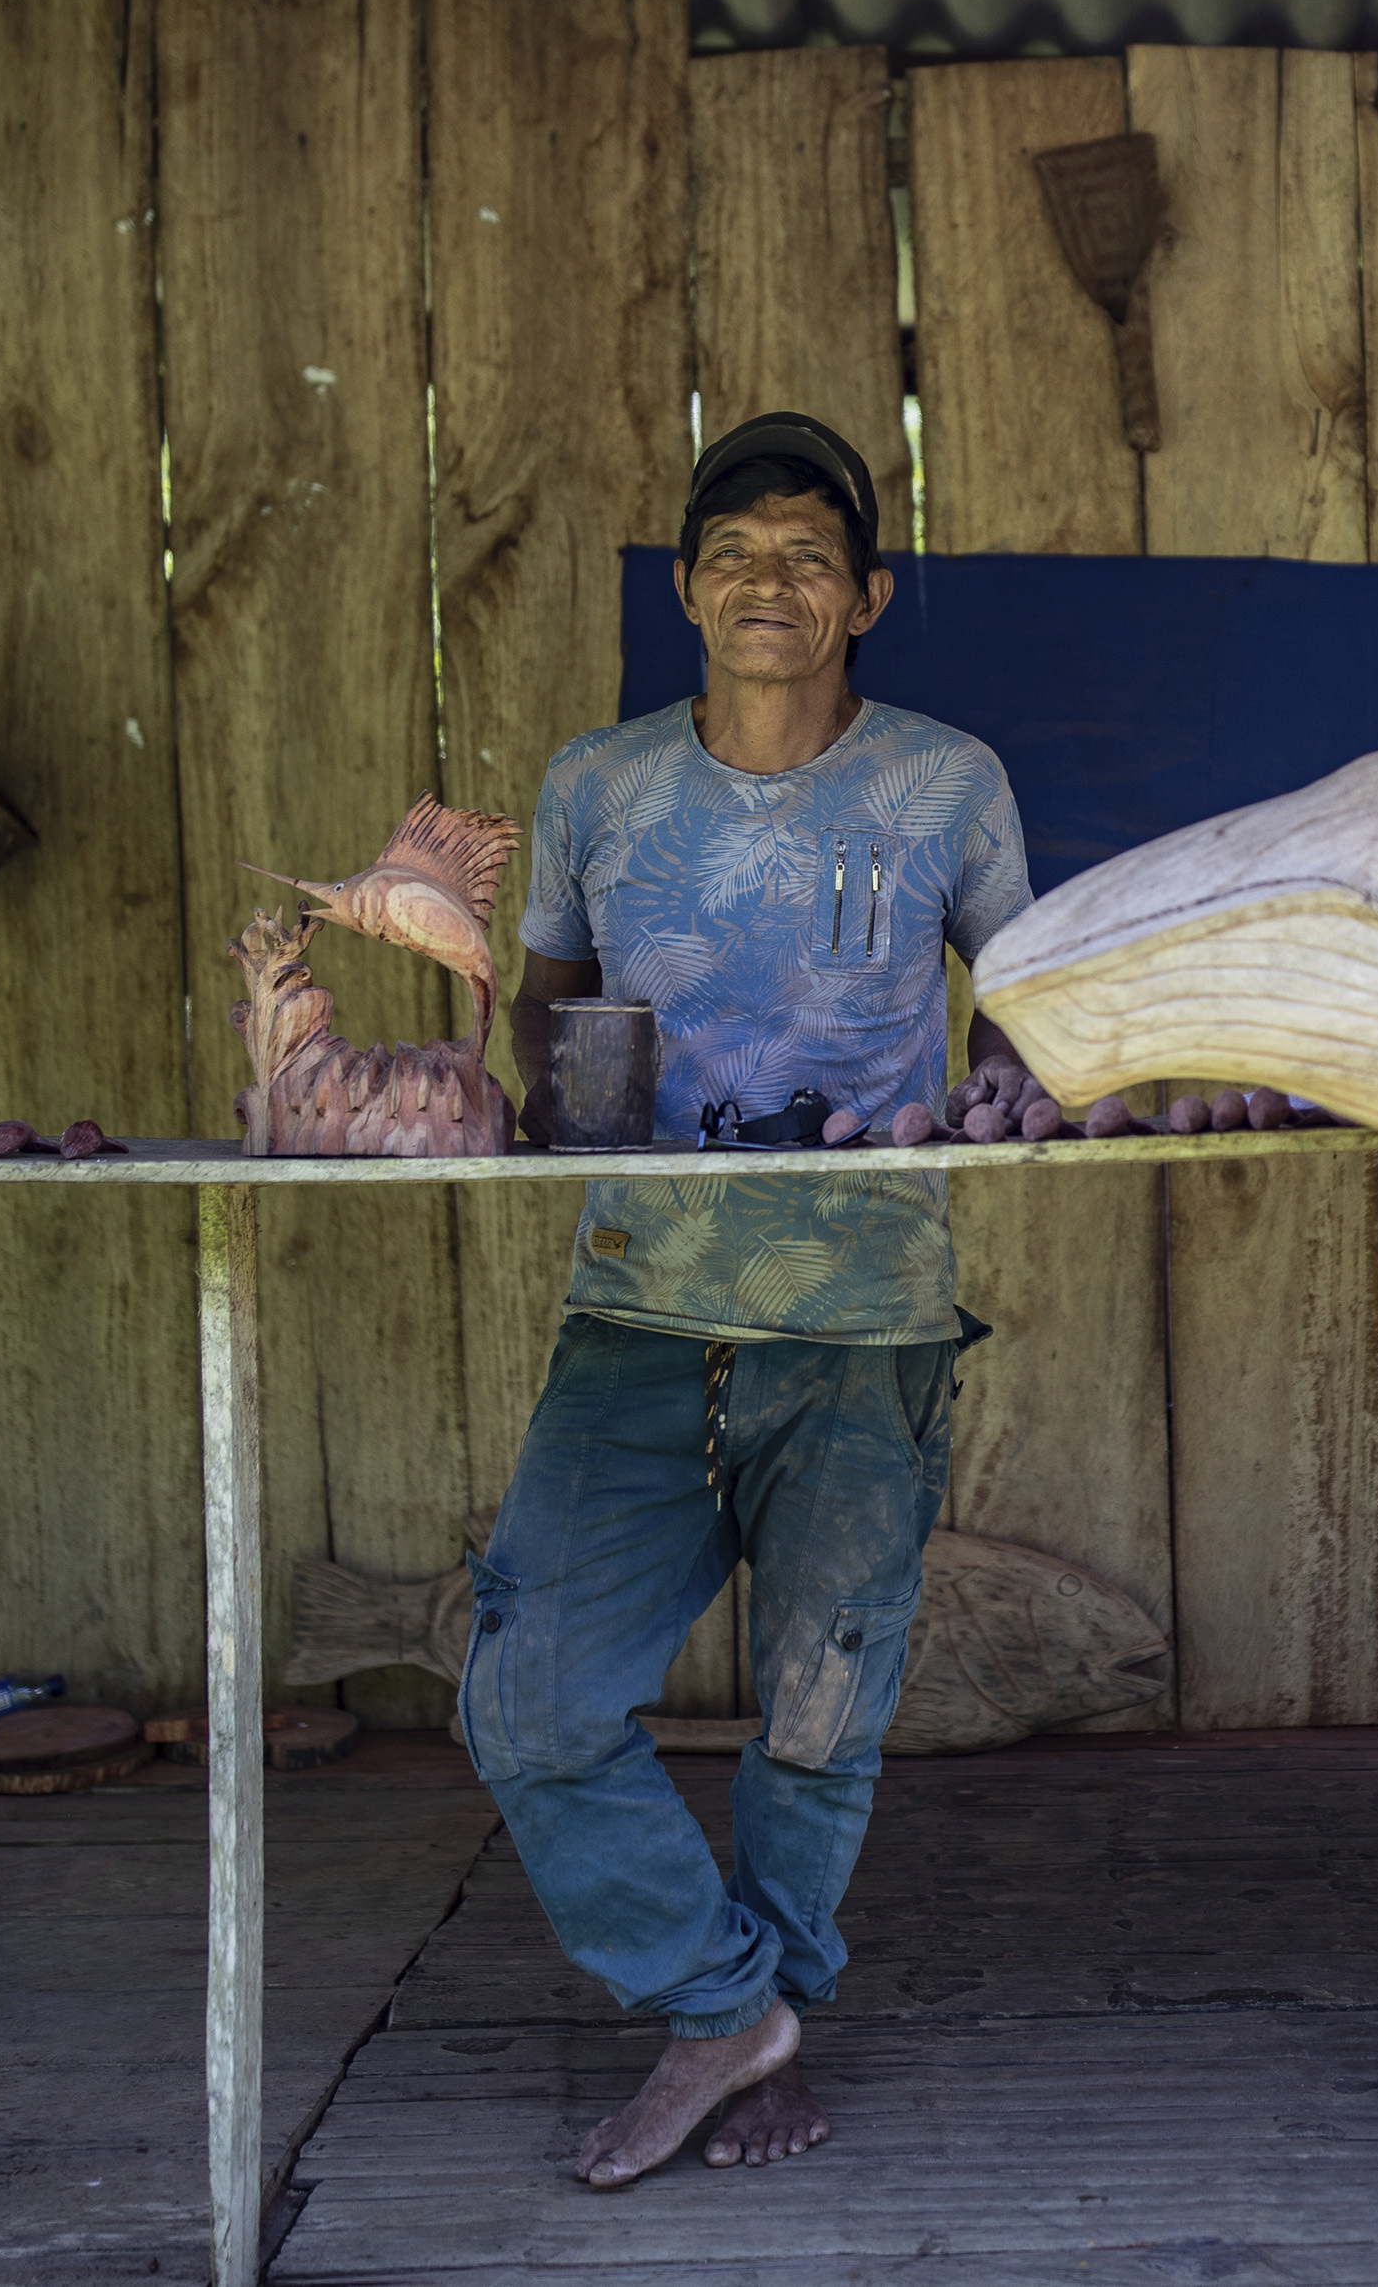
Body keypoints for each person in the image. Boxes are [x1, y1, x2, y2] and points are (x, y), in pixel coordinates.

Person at [468, 412, 1030, 2188]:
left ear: (862, 597)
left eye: (806, 555)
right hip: (638, 1310)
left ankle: (749, 2039)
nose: (765, 581)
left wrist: (1000, 1090)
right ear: (687, 592)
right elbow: (548, 1027)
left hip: (869, 1323)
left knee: (816, 1719)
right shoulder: (598, 785)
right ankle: (727, 2010)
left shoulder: (950, 782)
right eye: (731, 553)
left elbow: (1027, 1003)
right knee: (530, 1695)